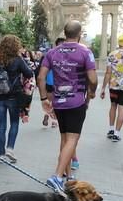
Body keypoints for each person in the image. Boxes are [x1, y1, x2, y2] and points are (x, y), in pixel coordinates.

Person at [38, 21, 97, 192]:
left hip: (58, 101)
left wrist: (44, 99)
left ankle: (68, 176)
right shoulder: (85, 52)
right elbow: (93, 79)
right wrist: (92, 92)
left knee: (65, 139)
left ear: (64, 33)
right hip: (76, 101)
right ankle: (57, 176)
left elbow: (41, 77)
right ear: (80, 34)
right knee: (72, 139)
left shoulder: (52, 52)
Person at [0, 34, 34, 163]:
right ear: (15, 47)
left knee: (1, 125)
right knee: (14, 123)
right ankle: (10, 148)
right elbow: (29, 74)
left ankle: (1, 154)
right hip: (14, 96)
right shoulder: (18, 60)